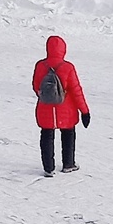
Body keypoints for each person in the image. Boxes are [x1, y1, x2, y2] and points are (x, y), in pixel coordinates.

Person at [30, 36, 92, 175]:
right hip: (67, 109)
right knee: (68, 134)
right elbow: (76, 90)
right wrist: (85, 111)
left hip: (45, 107)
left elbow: (35, 86)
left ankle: (48, 167)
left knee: (46, 135)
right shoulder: (68, 67)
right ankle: (68, 164)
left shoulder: (40, 65)